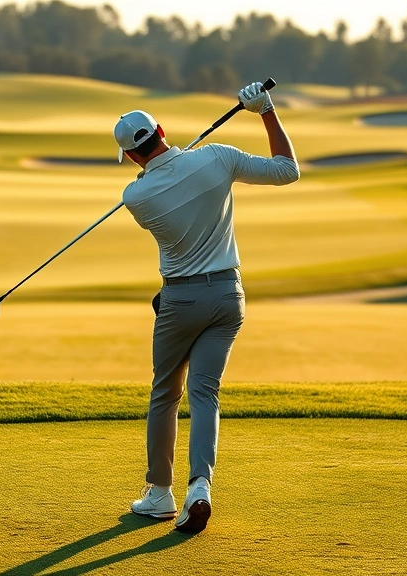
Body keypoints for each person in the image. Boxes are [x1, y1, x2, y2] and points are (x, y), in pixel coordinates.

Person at [119, 81, 300, 533]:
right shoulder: (217, 157)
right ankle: (200, 486)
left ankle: (160, 494)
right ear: (161, 131)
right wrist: (266, 110)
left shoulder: (135, 197)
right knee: (205, 393)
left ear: (133, 156)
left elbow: (154, 178)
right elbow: (287, 170)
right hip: (228, 296)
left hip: (179, 300)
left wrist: (164, 166)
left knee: (166, 392)